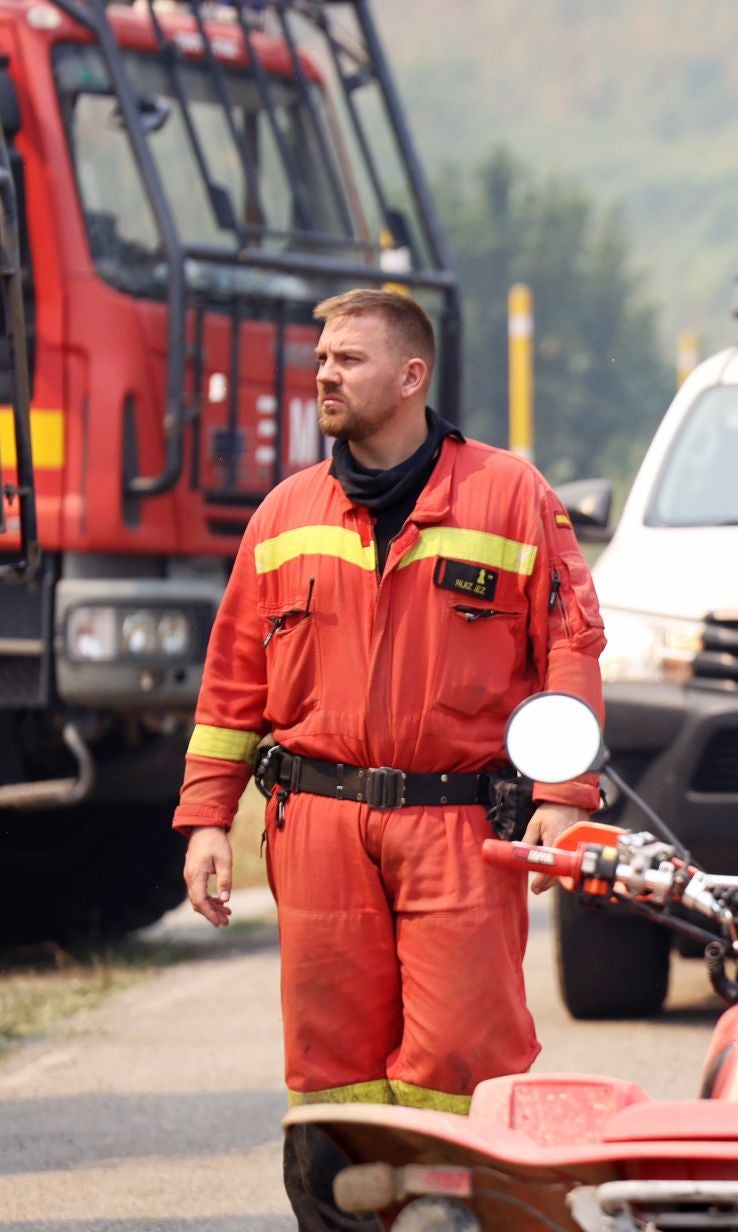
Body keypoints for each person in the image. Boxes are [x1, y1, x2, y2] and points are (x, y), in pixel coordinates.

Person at [172, 289, 606, 1229]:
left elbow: (571, 646)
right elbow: (232, 681)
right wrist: (208, 819)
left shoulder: (510, 495)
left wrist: (563, 794)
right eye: (323, 357)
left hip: (460, 825)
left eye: (349, 359)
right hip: (315, 826)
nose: (325, 373)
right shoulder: (286, 513)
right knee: (332, 1070)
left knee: (464, 1058)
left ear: (412, 377)